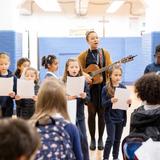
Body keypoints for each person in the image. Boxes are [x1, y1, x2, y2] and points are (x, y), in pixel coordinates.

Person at [31, 78, 83, 160]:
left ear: (40, 100)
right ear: (63, 101)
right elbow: (79, 157)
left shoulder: (29, 127)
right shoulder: (70, 128)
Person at [78, 30, 112, 150]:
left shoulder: (105, 53)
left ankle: (100, 139)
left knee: (102, 114)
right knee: (91, 114)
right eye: (92, 38)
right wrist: (85, 75)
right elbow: (78, 70)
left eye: (97, 38)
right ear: (88, 41)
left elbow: (110, 70)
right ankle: (92, 139)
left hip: (103, 89)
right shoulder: (83, 55)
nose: (95, 40)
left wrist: (113, 68)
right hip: (90, 90)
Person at [62, 58, 90, 160]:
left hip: (80, 115)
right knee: (68, 138)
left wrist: (84, 96)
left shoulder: (83, 82)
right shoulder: (62, 82)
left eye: (76, 67)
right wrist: (67, 98)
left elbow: (88, 99)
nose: (74, 69)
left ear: (79, 69)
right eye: (72, 67)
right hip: (67, 115)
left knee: (83, 139)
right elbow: (58, 98)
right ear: (67, 69)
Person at [101, 65, 131, 160]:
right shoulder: (105, 88)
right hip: (110, 118)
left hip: (121, 118)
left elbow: (126, 106)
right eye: (116, 75)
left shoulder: (123, 87)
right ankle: (105, 158)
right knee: (111, 139)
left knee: (118, 140)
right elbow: (103, 104)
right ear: (110, 75)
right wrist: (111, 100)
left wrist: (129, 103)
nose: (118, 77)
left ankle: (115, 157)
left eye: (120, 75)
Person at [0, 52, 16, 117]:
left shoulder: (13, 77)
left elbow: (16, 91)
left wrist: (14, 94)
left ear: (9, 64)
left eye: (6, 64)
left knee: (7, 123)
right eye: (1, 64)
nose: (4, 66)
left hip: (8, 105)